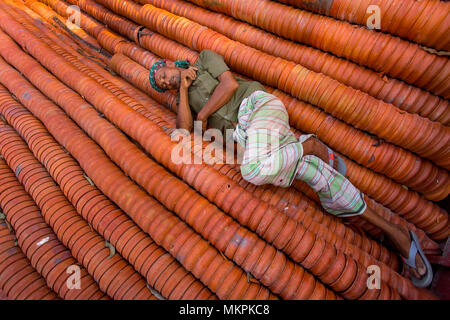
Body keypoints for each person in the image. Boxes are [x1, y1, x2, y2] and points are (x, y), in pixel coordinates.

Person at [149, 50, 433, 288]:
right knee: (324, 187)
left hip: (258, 108)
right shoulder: (183, 99)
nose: (164, 79)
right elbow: (185, 130)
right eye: (162, 83)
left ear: (171, 63)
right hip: (252, 138)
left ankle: (308, 147)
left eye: (162, 72)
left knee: (252, 171)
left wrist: (203, 113)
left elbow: (230, 86)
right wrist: (184, 90)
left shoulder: (205, 59)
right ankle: (396, 232)